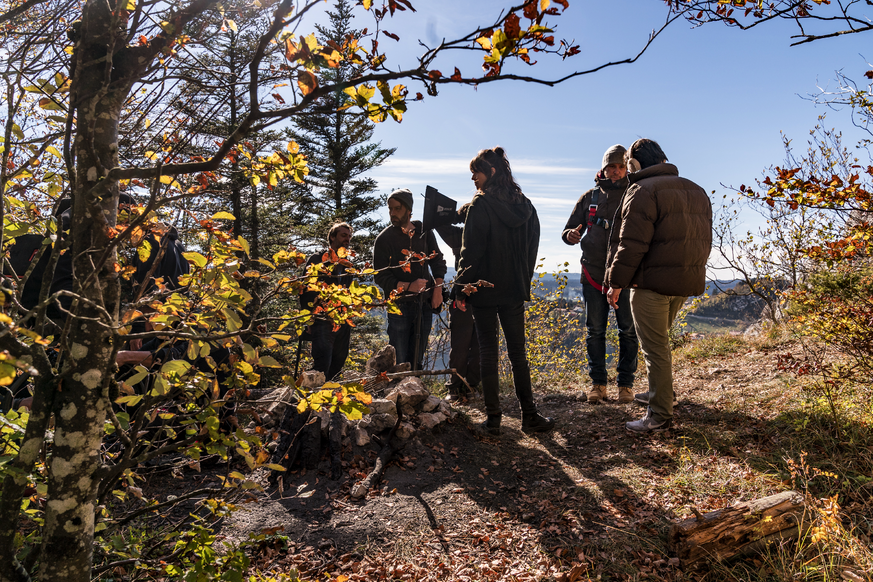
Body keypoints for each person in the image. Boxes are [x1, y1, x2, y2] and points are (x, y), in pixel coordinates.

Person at [605, 139, 712, 433]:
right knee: (660, 344)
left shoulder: (642, 190)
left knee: (655, 348)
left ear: (635, 165)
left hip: (650, 284)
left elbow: (631, 244)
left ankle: (660, 415)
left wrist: (616, 282)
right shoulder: (696, 190)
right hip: (683, 282)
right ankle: (660, 395)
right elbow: (704, 241)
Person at [454, 147, 555, 436]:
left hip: (484, 290)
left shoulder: (480, 205)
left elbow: (469, 253)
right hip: (513, 289)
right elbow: (532, 246)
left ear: (492, 172)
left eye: (476, 171)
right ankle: (530, 415)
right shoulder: (525, 205)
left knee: (488, 352)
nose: (473, 177)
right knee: (518, 354)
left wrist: (460, 289)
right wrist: (523, 277)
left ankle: (494, 419)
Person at [562, 145, 639, 404]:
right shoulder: (590, 197)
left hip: (626, 276)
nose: (615, 171)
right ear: (603, 168)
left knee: (628, 330)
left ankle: (626, 386)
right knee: (595, 331)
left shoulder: (635, 194)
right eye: (611, 167)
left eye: (620, 166)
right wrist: (571, 235)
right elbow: (568, 230)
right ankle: (598, 384)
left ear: (626, 167)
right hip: (592, 274)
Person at [373, 189, 447, 371]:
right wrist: (408, 287)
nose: (392, 213)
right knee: (399, 359)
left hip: (425, 303)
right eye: (390, 209)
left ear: (408, 209)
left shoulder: (423, 231)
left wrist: (437, 290)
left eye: (397, 209)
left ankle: (416, 394)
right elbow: (380, 276)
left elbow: (437, 260)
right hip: (399, 306)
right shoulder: (384, 239)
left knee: (417, 358)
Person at [435, 205, 480, 402]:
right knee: (460, 346)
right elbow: (438, 222)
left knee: (479, 347)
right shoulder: (460, 235)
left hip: (485, 296)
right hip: (462, 295)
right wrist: (458, 215)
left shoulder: (483, 234)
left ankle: (471, 386)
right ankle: (455, 387)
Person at [301, 223, 354, 381]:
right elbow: (305, 291)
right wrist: (309, 320)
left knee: (338, 363)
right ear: (332, 237)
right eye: (344, 235)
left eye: (349, 236)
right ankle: (312, 399)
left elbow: (348, 292)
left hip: (341, 319)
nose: (347, 239)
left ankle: (330, 399)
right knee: (322, 363)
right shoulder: (317, 259)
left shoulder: (346, 265)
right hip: (322, 319)